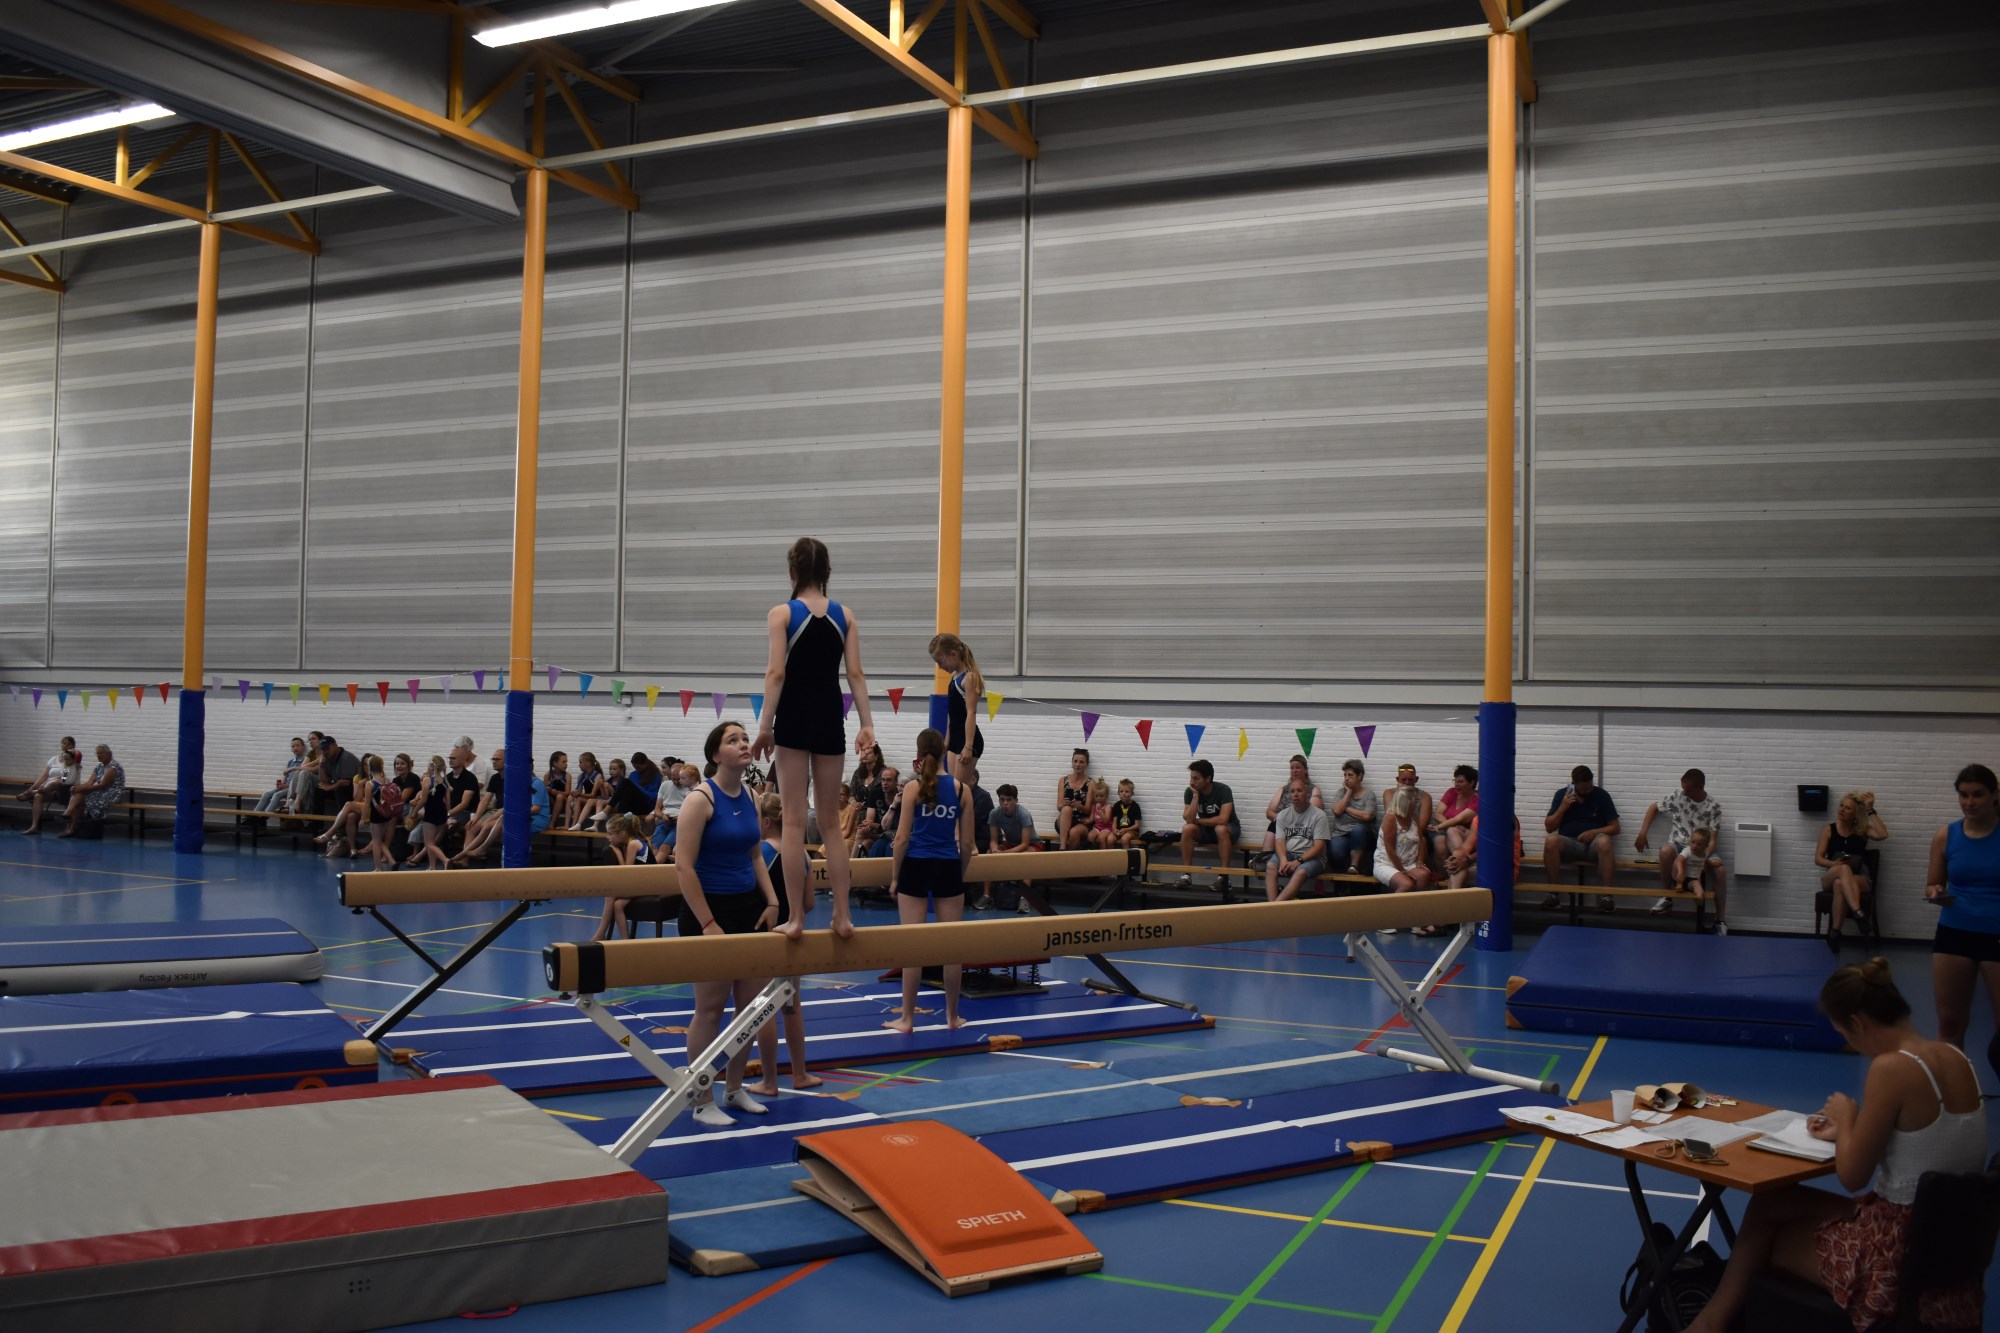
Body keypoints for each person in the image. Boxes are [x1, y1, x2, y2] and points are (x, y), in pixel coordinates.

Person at [1682, 958, 1987, 1333]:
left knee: (1770, 1242)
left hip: (1899, 1248)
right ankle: (1712, 1322)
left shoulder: (1891, 1068)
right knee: (1772, 1201)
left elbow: (1852, 1176)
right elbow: (1923, 1142)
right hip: (1953, 1235)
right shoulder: (1956, 1057)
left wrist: (1847, 1116)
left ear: (1857, 1023)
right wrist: (1847, 1130)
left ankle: (1712, 1323)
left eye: (1845, 1035)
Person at [753, 536, 876, 940]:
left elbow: (776, 673)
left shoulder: (782, 614)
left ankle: (796, 919)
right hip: (828, 715)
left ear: (792, 570)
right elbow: (855, 674)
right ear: (826, 572)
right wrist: (866, 724)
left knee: (791, 821)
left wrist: (765, 727)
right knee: (830, 824)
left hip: (793, 714)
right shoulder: (845, 615)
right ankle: (842, 916)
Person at [676, 720, 782, 1126]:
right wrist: (707, 922)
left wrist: (771, 900)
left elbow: (755, 855)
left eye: (744, 738)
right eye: (732, 740)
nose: (743, 744)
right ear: (715, 755)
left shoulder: (753, 796)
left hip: (747, 908)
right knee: (710, 1008)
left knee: (751, 1009)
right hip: (709, 910)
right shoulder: (700, 800)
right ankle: (701, 1098)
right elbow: (684, 867)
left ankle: (734, 1089)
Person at [885, 730, 976, 1034]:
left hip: (916, 865)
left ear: (919, 753)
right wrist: (960, 874)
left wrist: (895, 876)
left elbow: (901, 839)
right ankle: (952, 1016)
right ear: (944, 752)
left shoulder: (913, 787)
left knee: (913, 946)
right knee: (951, 949)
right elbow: (967, 844)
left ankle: (907, 1019)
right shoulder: (962, 790)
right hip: (947, 865)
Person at [1926, 763, 2000, 1083]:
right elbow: (1932, 883)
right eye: (1964, 795)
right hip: (1954, 932)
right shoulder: (1946, 835)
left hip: (1996, 934)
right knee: (1950, 1024)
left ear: (1994, 795)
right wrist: (1936, 892)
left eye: (1977, 795)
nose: (1969, 802)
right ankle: (1955, 1091)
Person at [748, 793, 823, 1095]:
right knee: (791, 1007)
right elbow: (808, 903)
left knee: (764, 1008)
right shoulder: (801, 854)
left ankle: (769, 1081)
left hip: (765, 936)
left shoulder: (761, 852)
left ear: (766, 822)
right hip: (792, 938)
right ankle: (800, 1074)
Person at [1636, 768, 1726, 917]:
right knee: (1665, 851)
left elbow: (1713, 842)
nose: (1684, 793)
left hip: (1701, 849)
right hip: (1677, 844)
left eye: (1688, 790)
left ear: (1700, 787)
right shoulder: (1678, 796)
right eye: (1683, 788)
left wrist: (1702, 858)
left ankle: (1720, 919)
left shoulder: (1713, 807)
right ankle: (1666, 897)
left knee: (1720, 871)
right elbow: (1654, 807)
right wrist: (1642, 833)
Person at [1539, 764, 1620, 913]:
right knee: (1551, 841)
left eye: (1590, 787)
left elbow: (1615, 827)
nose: (1588, 790)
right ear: (1574, 784)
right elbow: (1549, 827)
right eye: (1583, 788)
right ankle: (1553, 894)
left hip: (1593, 845)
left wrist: (1594, 832)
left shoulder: (1601, 795)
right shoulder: (1562, 795)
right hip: (1570, 844)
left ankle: (1607, 897)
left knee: (1605, 841)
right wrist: (1563, 807)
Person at [1818, 790, 1890, 947]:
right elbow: (1818, 858)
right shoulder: (1829, 830)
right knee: (1843, 869)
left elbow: (1883, 834)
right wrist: (1834, 864)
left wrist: (1870, 809)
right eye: (1841, 806)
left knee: (1840, 884)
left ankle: (1834, 934)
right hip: (1832, 873)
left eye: (1847, 808)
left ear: (1856, 813)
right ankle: (1858, 913)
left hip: (1859, 877)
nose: (1842, 810)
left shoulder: (1862, 830)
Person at [1373, 787, 1436, 932]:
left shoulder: (1414, 818)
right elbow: (1390, 850)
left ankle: (1416, 920)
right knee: (1407, 884)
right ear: (1405, 802)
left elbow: (1421, 841)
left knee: (1424, 874)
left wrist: (1420, 861)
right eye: (1415, 800)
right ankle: (1384, 921)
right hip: (1386, 863)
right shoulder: (1390, 818)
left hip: (1409, 863)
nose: (1417, 803)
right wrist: (1402, 871)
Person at [1173, 759, 1238, 890]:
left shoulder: (1223, 790)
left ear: (1208, 779)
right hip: (1206, 830)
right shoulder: (1190, 791)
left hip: (1229, 829)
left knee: (1220, 829)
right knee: (1187, 829)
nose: (1192, 782)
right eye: (1191, 777)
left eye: (1196, 778)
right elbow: (1188, 819)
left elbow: (1223, 819)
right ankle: (1186, 875)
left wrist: (1197, 821)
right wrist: (1195, 796)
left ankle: (1224, 878)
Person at [928, 632, 984, 782]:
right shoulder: (954, 678)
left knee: (960, 790)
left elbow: (971, 713)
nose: (940, 667)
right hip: (955, 739)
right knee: (953, 788)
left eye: (941, 662)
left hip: (968, 740)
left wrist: (968, 746)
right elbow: (951, 715)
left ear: (953, 654)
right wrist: (947, 741)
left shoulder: (969, 678)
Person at [1266, 777, 1331, 904]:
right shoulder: (1283, 815)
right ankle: (1273, 905)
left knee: (1300, 872)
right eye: (1292, 791)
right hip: (1289, 854)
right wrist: (1283, 860)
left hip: (1314, 858)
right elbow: (1279, 841)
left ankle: (1274, 907)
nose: (1295, 794)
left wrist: (1298, 861)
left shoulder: (1319, 815)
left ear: (1307, 793)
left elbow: (1319, 847)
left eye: (1299, 791)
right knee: (1270, 866)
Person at [591, 814, 654, 942]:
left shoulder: (633, 844)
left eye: (610, 834)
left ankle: (600, 934)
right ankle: (625, 940)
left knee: (610, 895)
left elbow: (626, 873)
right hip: (641, 883)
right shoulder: (630, 843)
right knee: (617, 905)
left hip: (650, 885)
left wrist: (618, 854)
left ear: (622, 833)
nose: (608, 837)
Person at [1254, 755, 1324, 868]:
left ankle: (1268, 861)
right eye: (1292, 768)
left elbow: (1314, 812)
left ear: (1306, 770)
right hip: (1284, 827)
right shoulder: (1284, 789)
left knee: (1278, 823)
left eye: (1298, 767)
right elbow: (1269, 812)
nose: (1294, 770)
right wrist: (1281, 817)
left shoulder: (1313, 789)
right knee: (1274, 824)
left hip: (1304, 827)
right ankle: (1266, 859)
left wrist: (1289, 818)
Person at [984, 784, 1039, 913]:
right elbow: (993, 841)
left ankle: (1024, 899)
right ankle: (986, 896)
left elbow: (1025, 844)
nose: (1005, 803)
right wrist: (995, 851)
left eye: (1009, 800)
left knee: (1026, 856)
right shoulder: (994, 814)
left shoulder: (1023, 814)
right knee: (988, 853)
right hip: (1011, 844)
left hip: (1032, 845)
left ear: (1016, 800)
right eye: (1002, 799)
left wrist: (1005, 853)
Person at [453, 749, 508, 865]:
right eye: (493, 759)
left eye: (497, 759)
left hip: (506, 812)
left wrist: (489, 819)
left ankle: (467, 854)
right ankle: (464, 859)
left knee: (486, 825)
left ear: (507, 760)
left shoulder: (514, 780)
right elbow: (485, 800)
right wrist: (476, 817)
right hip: (495, 810)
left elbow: (509, 806)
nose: (494, 761)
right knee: (471, 826)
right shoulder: (495, 778)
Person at [18, 735, 81, 836]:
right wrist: (32, 787)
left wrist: (68, 755)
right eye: (63, 743)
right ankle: (34, 826)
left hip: (64, 789)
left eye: (68, 744)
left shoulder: (73, 762)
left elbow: (65, 779)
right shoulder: (57, 760)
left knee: (57, 782)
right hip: (49, 788)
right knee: (38, 796)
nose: (65, 746)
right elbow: (44, 776)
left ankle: (33, 792)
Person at [1324, 759, 1378, 875]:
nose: (1346, 778)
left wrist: (1346, 808)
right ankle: (1341, 881)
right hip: (1341, 834)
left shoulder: (1369, 795)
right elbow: (1337, 811)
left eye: (1350, 775)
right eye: (1345, 775)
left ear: (1360, 776)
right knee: (1335, 850)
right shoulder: (1341, 793)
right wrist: (1348, 792)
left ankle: (1354, 865)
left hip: (1363, 835)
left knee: (1358, 829)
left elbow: (1367, 816)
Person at [58, 744, 125, 837]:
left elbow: (103, 785)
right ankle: (71, 824)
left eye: (101, 753)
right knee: (76, 796)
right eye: (97, 753)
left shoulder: (76, 767)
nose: (99, 755)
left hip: (109, 792)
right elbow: (89, 782)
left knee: (77, 798)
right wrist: (78, 787)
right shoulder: (65, 768)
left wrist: (79, 788)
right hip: (74, 789)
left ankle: (70, 821)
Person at [1669, 828, 1726, 934]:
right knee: (1679, 861)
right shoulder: (1687, 851)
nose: (1694, 846)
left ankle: (1698, 896)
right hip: (1681, 876)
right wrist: (1680, 873)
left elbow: (1705, 862)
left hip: (1692, 880)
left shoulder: (1704, 854)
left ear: (1705, 846)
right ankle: (1679, 884)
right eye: (1693, 842)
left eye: (1699, 844)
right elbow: (1679, 860)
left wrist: (1712, 864)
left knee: (1697, 885)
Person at [406, 755, 452, 869]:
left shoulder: (427, 780)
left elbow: (423, 800)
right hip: (441, 813)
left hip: (431, 813)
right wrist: (447, 815)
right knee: (432, 842)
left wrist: (415, 812)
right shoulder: (445, 781)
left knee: (429, 844)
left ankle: (445, 860)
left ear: (431, 767)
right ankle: (432, 866)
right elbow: (448, 803)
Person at [244, 737, 303, 824]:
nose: (295, 748)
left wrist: (287, 786)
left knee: (277, 795)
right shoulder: (291, 762)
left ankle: (263, 818)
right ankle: (254, 815)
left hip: (293, 788)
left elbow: (299, 782)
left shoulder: (304, 761)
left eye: (298, 745)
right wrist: (282, 785)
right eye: (293, 746)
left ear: (303, 747)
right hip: (286, 787)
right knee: (267, 794)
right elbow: (286, 775)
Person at [1431, 765, 1478, 872]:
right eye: (1455, 781)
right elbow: (1438, 813)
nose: (1456, 784)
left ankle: (1459, 864)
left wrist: (1450, 826)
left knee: (1453, 832)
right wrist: (1449, 825)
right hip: (1444, 825)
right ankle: (1444, 874)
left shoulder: (1476, 800)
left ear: (1471, 783)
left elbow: (1459, 819)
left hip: (1464, 832)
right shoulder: (1451, 792)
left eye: (1460, 782)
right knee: (1440, 844)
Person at [313, 735, 362, 820]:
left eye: (327, 749)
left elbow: (346, 782)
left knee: (341, 789)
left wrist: (330, 787)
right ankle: (316, 823)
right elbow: (325, 780)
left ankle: (342, 822)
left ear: (335, 746)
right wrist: (321, 767)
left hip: (355, 789)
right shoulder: (327, 758)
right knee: (318, 790)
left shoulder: (346, 757)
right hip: (338, 787)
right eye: (323, 749)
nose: (325, 751)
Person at [1055, 748, 1093, 851]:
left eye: (1081, 762)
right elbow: (1059, 806)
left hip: (1081, 821)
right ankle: (1062, 848)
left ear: (1086, 764)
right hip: (1064, 820)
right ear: (1072, 763)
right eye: (1075, 761)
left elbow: (1088, 810)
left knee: (1074, 833)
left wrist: (1079, 806)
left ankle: (1070, 857)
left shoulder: (1090, 783)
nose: (1078, 765)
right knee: (1067, 809)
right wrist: (1065, 804)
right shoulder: (1063, 780)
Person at [567, 752, 610, 830]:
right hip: (588, 799)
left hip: (597, 799)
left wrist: (579, 794)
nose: (579, 765)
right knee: (573, 798)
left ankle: (578, 824)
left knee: (579, 798)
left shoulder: (597, 776)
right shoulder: (581, 776)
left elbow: (593, 794)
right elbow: (579, 791)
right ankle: (574, 824)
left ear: (588, 763)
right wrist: (575, 793)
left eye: (581, 762)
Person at [1110, 779, 1143, 851]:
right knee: (1110, 839)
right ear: (1118, 793)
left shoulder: (1135, 806)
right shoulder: (1116, 805)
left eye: (1127, 791)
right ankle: (1112, 857)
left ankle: (1126, 857)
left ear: (1132, 793)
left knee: (1124, 839)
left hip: (1132, 831)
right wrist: (1114, 829)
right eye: (1121, 791)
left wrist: (1126, 829)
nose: (1124, 794)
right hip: (1120, 830)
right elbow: (1114, 822)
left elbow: (1137, 825)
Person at [543, 751, 570, 828]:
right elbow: (544, 791)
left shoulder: (567, 776)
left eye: (566, 762)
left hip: (563, 803)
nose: (566, 764)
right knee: (543, 795)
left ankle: (552, 823)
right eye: (563, 762)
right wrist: (547, 789)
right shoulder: (548, 775)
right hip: (551, 802)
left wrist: (557, 792)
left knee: (559, 797)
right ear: (555, 763)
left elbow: (568, 793)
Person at [1085, 779, 1114, 848]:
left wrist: (1100, 810)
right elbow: (1091, 819)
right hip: (1097, 827)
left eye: (1101, 796)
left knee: (1101, 837)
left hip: (1107, 828)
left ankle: (1103, 853)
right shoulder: (1094, 806)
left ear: (1106, 796)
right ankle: (1092, 851)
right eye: (1096, 796)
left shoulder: (1108, 807)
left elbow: (1106, 820)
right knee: (1089, 836)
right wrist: (1086, 821)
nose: (1099, 798)